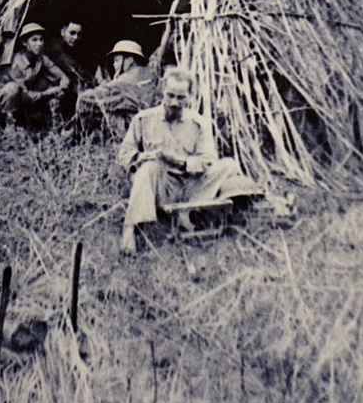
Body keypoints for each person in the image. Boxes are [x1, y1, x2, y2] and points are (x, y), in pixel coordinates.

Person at [118, 66, 262, 254]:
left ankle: (193, 213)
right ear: (163, 90)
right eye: (170, 95)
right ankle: (131, 229)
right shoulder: (143, 120)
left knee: (228, 165)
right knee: (149, 168)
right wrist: (142, 157)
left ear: (190, 96)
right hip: (162, 187)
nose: (174, 102)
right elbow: (125, 154)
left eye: (180, 97)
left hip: (192, 186)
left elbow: (208, 160)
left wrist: (182, 162)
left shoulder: (199, 123)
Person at [0, 22, 70, 131]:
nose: (39, 44)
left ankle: (55, 125)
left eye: (41, 39)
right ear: (24, 42)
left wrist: (59, 88)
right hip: (4, 107)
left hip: (25, 104)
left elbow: (63, 77)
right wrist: (48, 93)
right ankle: (9, 126)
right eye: (34, 40)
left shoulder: (41, 58)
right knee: (12, 88)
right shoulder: (15, 62)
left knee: (46, 83)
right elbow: (26, 95)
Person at [76, 40, 154, 139]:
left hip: (134, 130)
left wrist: (113, 81)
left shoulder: (124, 80)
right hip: (150, 127)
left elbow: (86, 98)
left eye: (117, 60)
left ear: (129, 60)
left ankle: (75, 138)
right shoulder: (148, 72)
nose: (114, 64)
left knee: (86, 102)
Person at [46, 20, 98, 117]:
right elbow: (75, 68)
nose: (76, 38)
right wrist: (94, 83)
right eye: (72, 33)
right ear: (63, 32)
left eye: (79, 34)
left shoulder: (78, 48)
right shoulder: (56, 48)